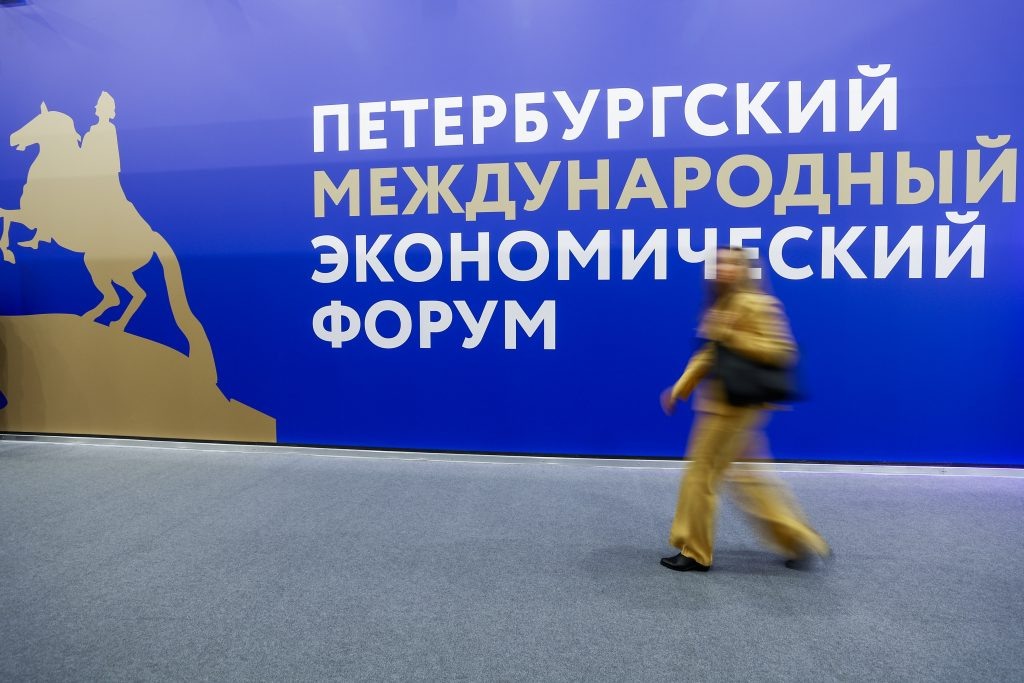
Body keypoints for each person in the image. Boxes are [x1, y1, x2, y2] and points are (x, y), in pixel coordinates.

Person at [659, 246, 830, 572]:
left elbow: (782, 351)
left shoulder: (759, 303)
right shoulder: (721, 304)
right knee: (749, 478)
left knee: (701, 476)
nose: (723, 268)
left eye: (731, 263)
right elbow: (709, 355)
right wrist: (680, 389)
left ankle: (695, 551)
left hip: (736, 407)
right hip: (721, 403)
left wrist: (732, 335)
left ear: (744, 270)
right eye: (719, 263)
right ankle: (800, 539)